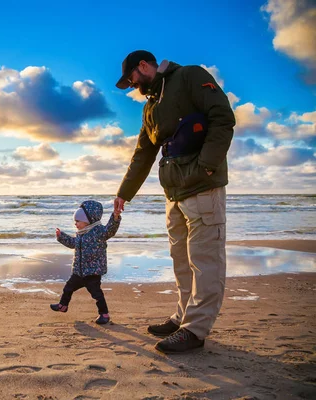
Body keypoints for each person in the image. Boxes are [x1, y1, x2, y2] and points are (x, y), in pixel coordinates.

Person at [113, 50, 235, 353]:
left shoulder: (189, 76)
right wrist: (123, 193)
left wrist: (206, 166)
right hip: (175, 193)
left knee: (205, 261)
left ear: (143, 66)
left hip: (204, 187)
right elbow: (143, 152)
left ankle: (195, 330)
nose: (132, 86)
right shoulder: (151, 107)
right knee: (182, 260)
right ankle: (182, 317)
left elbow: (223, 117)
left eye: (132, 79)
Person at [51, 200, 121, 325]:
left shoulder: (99, 232)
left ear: (88, 220)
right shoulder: (80, 234)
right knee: (68, 288)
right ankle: (63, 305)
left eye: (78, 221)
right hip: (79, 271)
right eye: (75, 221)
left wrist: (115, 217)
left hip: (92, 272)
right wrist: (61, 236)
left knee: (97, 295)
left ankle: (104, 314)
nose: (75, 224)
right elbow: (73, 244)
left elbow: (110, 230)